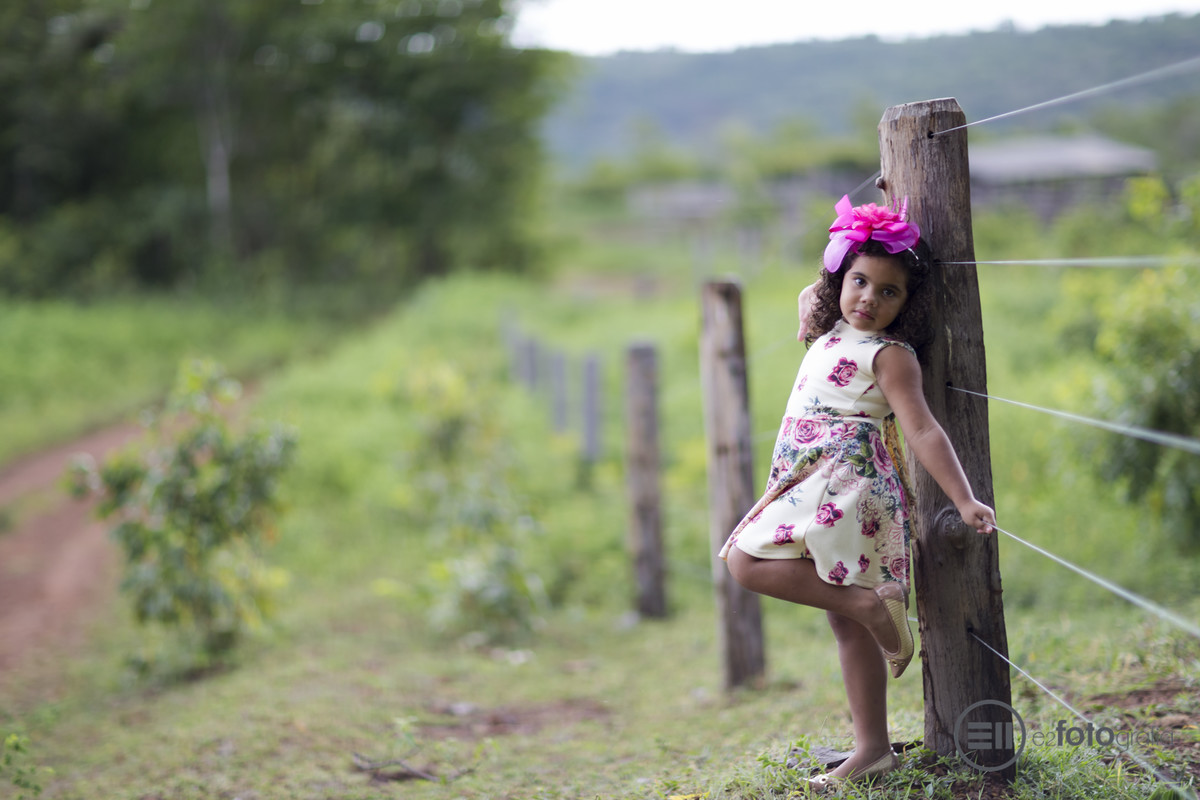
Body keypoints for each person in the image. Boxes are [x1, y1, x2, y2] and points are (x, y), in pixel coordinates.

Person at [719, 195, 996, 793]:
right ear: (837, 280)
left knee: (745, 561)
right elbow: (818, 297)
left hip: (845, 482)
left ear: (907, 304)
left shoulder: (891, 355)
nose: (869, 298)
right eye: (858, 282)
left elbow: (922, 428)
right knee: (841, 618)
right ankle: (872, 749)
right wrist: (817, 294)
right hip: (811, 475)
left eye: (888, 292)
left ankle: (876, 607)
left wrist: (965, 499)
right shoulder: (831, 329)